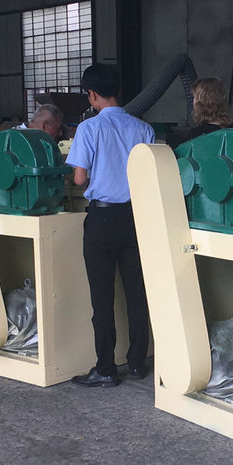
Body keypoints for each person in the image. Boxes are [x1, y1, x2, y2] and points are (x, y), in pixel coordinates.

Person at [65, 63, 155, 388]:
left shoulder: (89, 128)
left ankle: (105, 368)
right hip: (136, 218)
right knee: (137, 294)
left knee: (102, 299)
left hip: (102, 220)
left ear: (92, 95)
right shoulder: (144, 129)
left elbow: (79, 178)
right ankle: (137, 363)